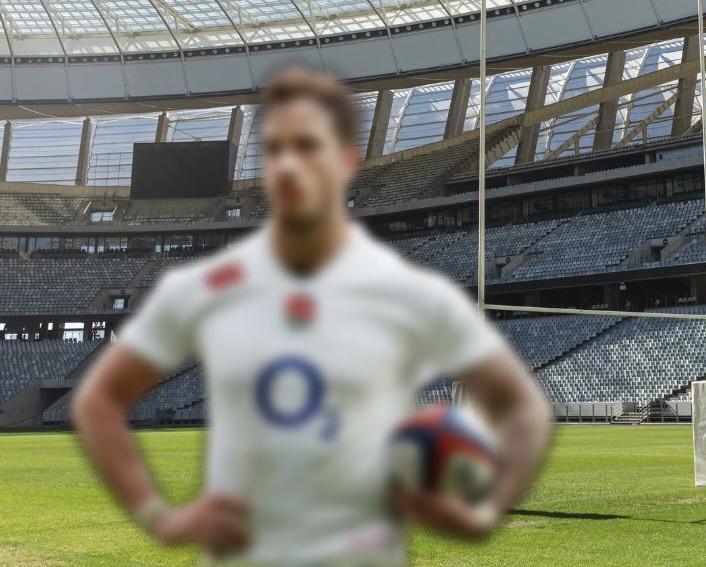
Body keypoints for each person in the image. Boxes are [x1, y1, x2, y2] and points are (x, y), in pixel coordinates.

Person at [72, 66, 552, 566]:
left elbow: (524, 407)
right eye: (275, 148)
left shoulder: (411, 293)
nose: (289, 165)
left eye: (307, 146)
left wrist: (482, 506)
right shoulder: (204, 287)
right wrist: (160, 515)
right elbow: (99, 399)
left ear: (346, 161)